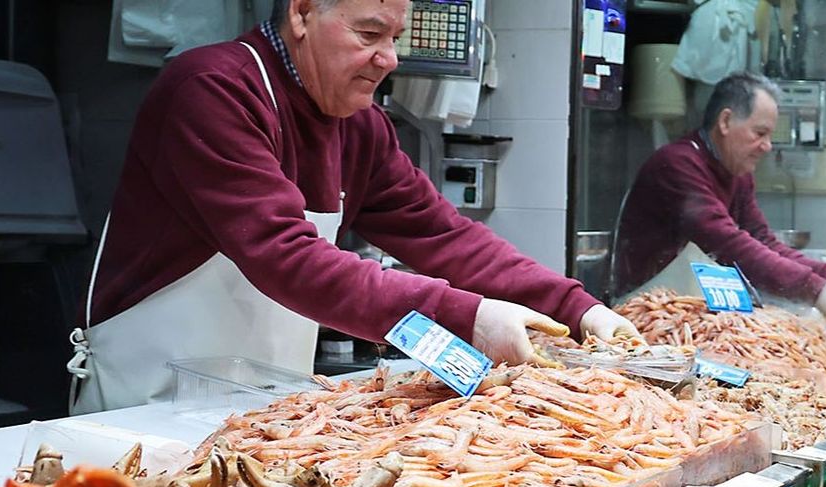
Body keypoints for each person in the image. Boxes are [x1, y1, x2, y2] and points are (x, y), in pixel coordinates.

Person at [68, 0, 638, 413]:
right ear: (301, 12)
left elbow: (446, 237)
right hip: (145, 409)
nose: (388, 58)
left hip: (264, 412)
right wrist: (470, 317)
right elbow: (285, 256)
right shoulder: (211, 89)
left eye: (395, 36)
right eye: (369, 33)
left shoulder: (359, 125)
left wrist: (580, 311)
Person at [611, 72, 826, 325]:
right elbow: (731, 245)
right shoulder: (677, 165)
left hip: (689, 308)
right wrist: (815, 289)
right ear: (725, 121)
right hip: (645, 311)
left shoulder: (736, 172)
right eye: (760, 133)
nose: (768, 146)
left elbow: (762, 240)